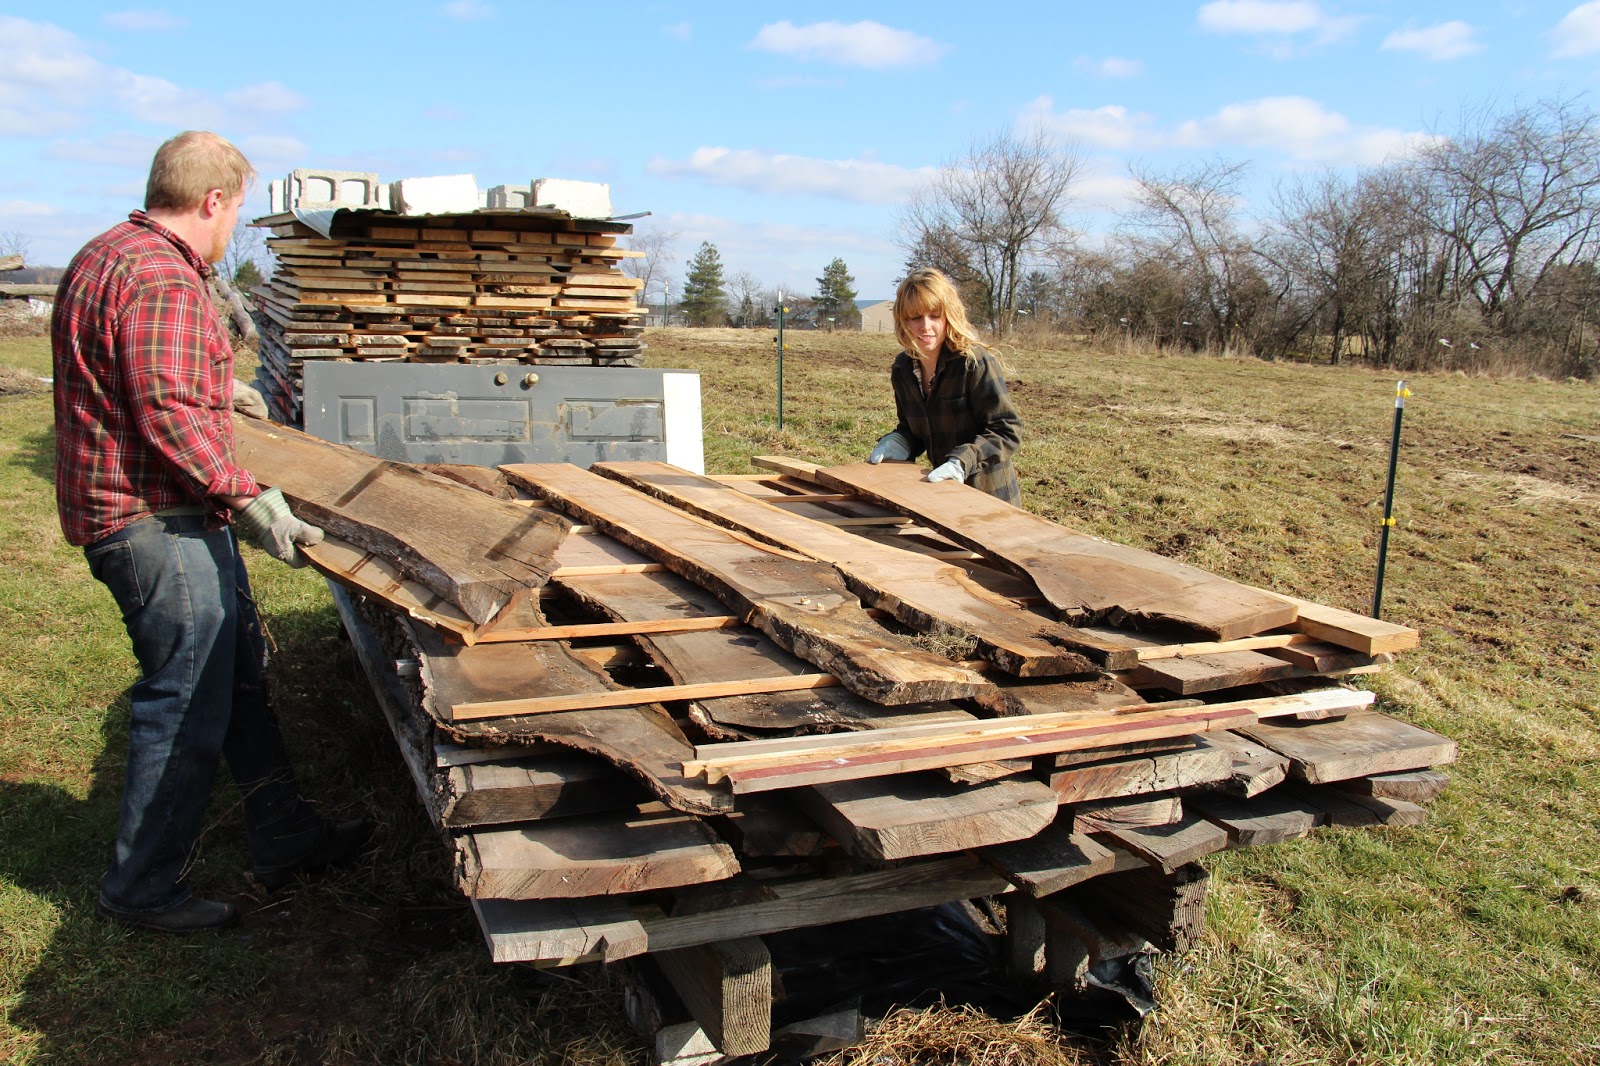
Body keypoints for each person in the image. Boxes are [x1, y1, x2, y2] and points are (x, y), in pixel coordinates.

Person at [53, 130, 370, 935]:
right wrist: (250, 499)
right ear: (213, 200)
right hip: (153, 518)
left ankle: (284, 834)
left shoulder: (109, 253)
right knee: (186, 699)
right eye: (235, 212)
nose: (233, 230)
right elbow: (162, 410)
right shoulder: (161, 274)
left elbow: (132, 371)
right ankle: (141, 888)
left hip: (157, 509)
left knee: (236, 678)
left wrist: (216, 390)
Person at [867, 268, 1023, 503]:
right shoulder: (903, 369)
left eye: (935, 315)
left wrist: (963, 461)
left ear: (948, 316)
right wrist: (899, 442)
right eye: (915, 317)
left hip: (990, 496)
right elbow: (915, 430)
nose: (925, 326)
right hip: (944, 495)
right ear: (903, 320)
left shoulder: (973, 362)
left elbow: (1007, 429)